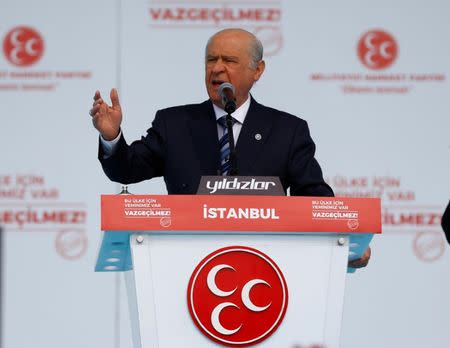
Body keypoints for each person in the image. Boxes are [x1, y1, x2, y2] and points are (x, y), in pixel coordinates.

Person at [89, 28, 370, 267]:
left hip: (267, 266)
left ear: (257, 70)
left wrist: (344, 239)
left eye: (229, 60)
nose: (216, 68)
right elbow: (126, 169)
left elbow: (314, 199)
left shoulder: (288, 131)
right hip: (183, 264)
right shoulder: (173, 123)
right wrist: (112, 137)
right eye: (211, 60)